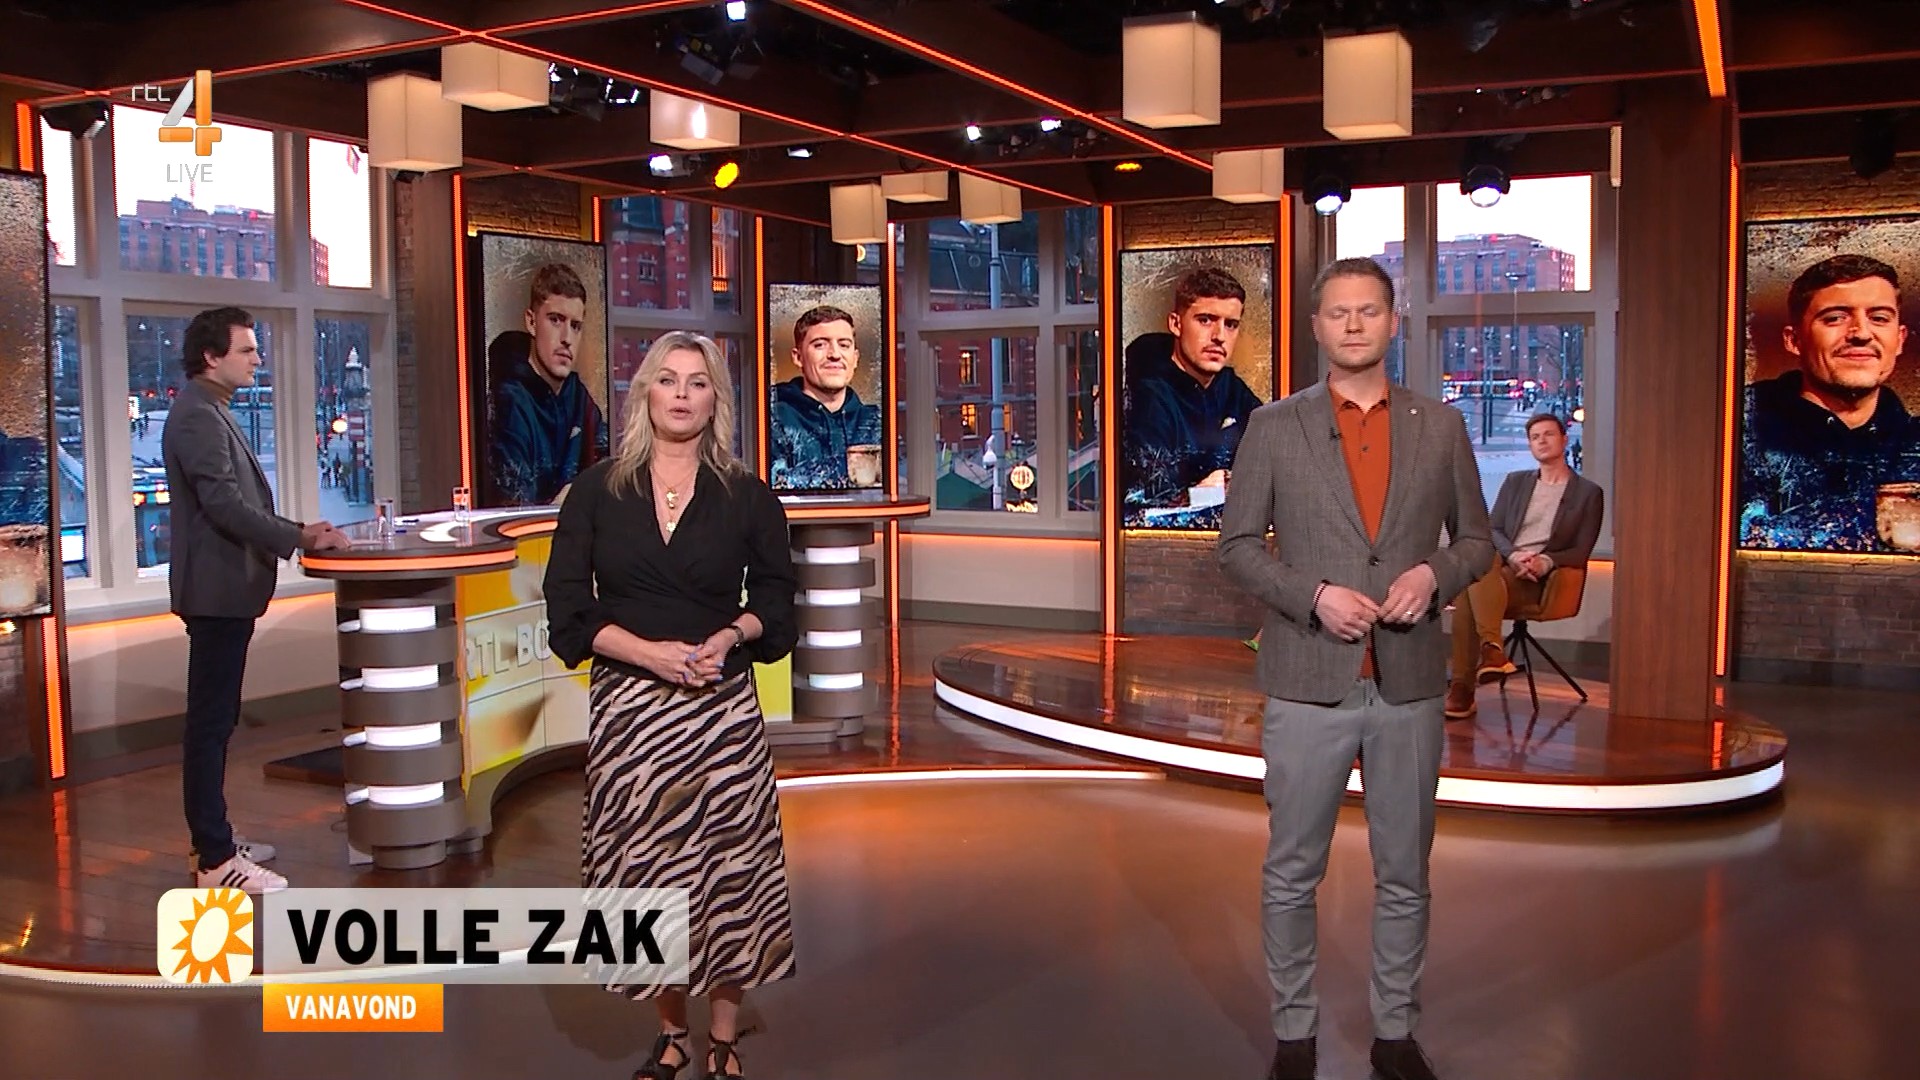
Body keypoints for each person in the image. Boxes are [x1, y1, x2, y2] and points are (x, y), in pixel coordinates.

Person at [1218, 258, 1493, 1080]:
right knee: (1292, 871)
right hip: (1308, 681)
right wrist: (1313, 595)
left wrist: (1433, 575)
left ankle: (1395, 1033)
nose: (1352, 325)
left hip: (1409, 684)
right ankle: (1294, 1034)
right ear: (1316, 326)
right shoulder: (1274, 426)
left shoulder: (1440, 426)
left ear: (1391, 321)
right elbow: (1237, 548)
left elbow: (1477, 541)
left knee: (1405, 873)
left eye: (1367, 310)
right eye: (1337, 312)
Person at [544, 331, 799, 1080]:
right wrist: (648, 654)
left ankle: (722, 1036)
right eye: (667, 379)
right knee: (649, 870)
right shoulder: (597, 491)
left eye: (697, 382)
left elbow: (777, 602)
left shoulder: (747, 494)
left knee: (729, 869)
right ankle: (671, 1032)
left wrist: (730, 635)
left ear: (716, 400)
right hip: (632, 711)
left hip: (720, 710)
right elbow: (568, 608)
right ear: (645, 394)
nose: (682, 394)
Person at [163, 306, 349, 894]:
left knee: (216, 721)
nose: (256, 359)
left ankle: (213, 842)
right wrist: (298, 537)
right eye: (246, 349)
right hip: (216, 594)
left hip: (226, 593)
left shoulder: (211, 409)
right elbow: (224, 506)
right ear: (211, 356)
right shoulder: (197, 416)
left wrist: (296, 532)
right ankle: (216, 860)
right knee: (210, 724)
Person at [1742, 253, 1916, 549]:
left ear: (1899, 340)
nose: (1861, 333)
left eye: (1879, 318)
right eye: (1835, 318)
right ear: (1794, 340)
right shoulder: (1732, 429)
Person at [1444, 413, 1605, 719]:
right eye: (1535, 437)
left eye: (1548, 434)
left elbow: (1581, 549)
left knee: (1468, 586)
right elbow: (1493, 529)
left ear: (1564, 440)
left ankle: (1465, 685)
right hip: (1503, 566)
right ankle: (1491, 650)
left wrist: (1546, 561)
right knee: (1480, 564)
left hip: (1540, 581)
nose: (1541, 441)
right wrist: (1514, 554)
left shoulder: (1588, 493)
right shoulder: (1515, 482)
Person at [1125, 265, 1264, 510]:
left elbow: (1275, 453)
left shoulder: (1231, 387)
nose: (1219, 336)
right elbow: (1144, 504)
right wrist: (1209, 494)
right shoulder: (1149, 399)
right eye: (1205, 320)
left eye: (1231, 324)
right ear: (1176, 324)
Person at [490, 263, 610, 506]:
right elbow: (514, 508)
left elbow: (610, 472)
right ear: (531, 322)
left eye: (575, 326)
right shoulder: (508, 403)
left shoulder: (579, 398)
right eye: (556, 320)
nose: (567, 339)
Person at [769, 304, 882, 489]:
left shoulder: (876, 421)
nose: (835, 355)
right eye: (820, 345)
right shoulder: (774, 417)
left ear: (855, 358)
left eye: (844, 345)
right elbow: (776, 482)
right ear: (798, 357)